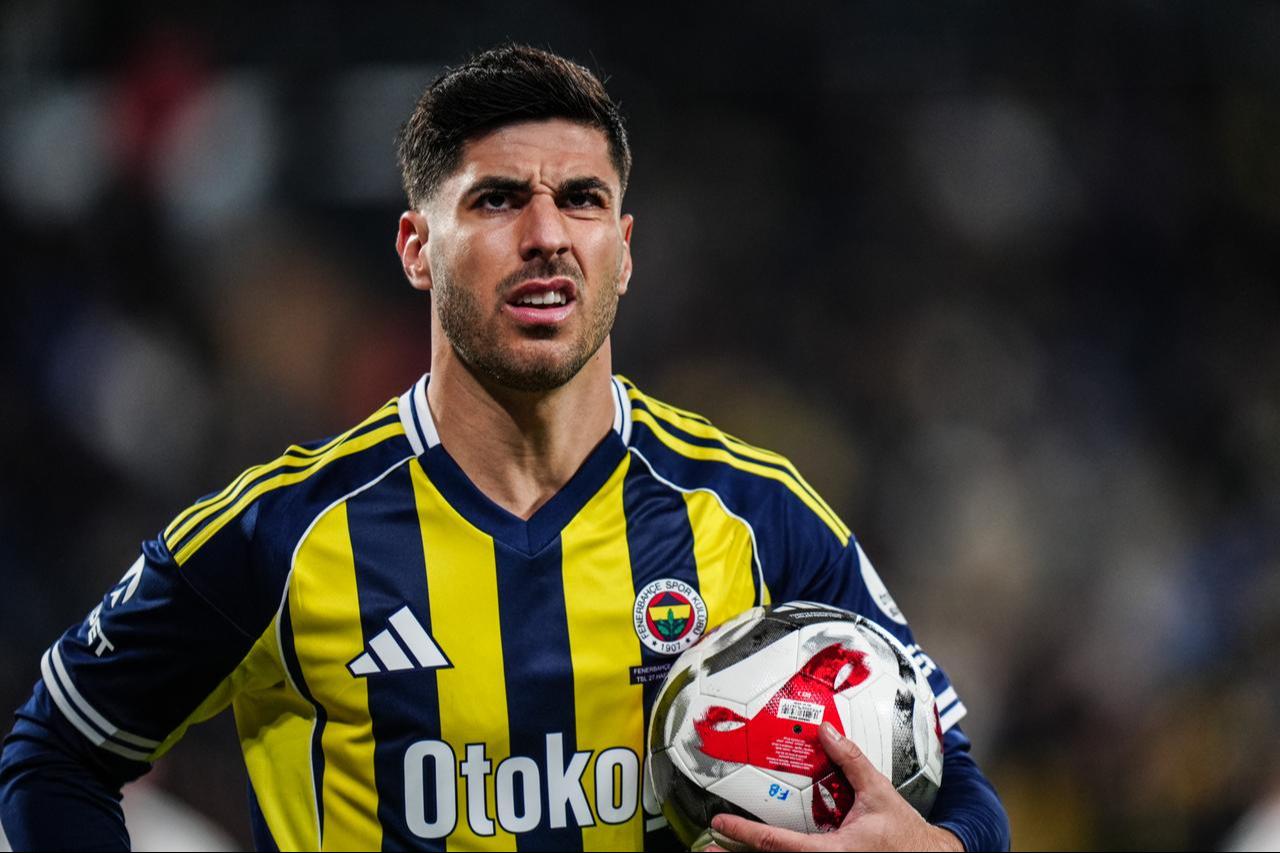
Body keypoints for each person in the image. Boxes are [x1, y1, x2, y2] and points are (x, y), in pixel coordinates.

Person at [0, 44, 1010, 852]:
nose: (545, 233)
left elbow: (955, 780)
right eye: (494, 200)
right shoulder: (284, 535)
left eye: (580, 199)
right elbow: (55, 753)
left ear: (623, 249)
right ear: (414, 248)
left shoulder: (754, 514)